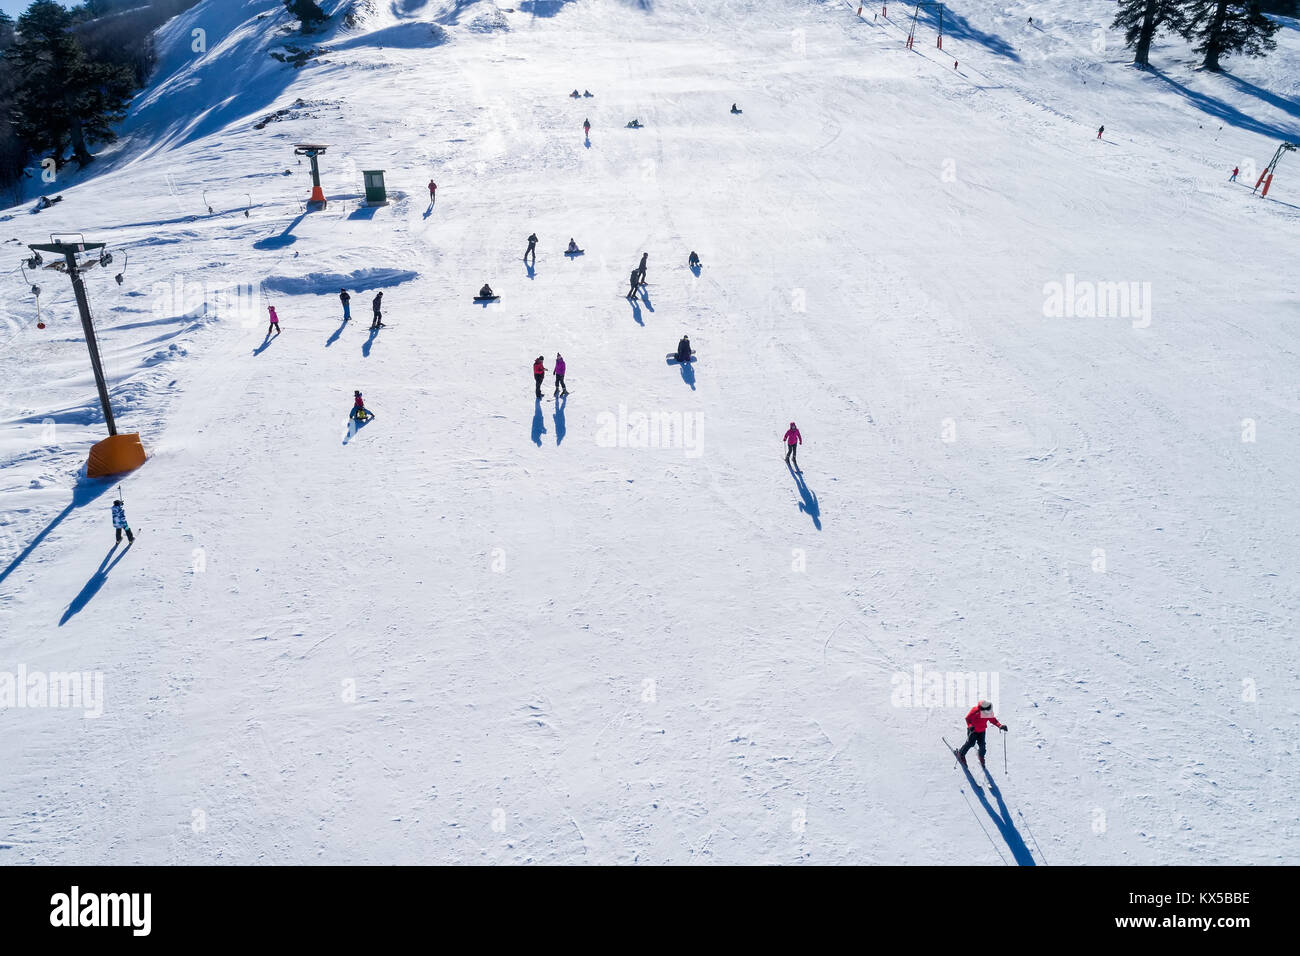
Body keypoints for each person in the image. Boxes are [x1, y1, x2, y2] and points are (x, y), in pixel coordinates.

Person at [956, 700, 1007, 768]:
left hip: (982, 731)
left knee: (982, 745)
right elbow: (968, 719)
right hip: (972, 730)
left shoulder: (988, 711)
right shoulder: (975, 710)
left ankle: (981, 756)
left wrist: (1000, 726)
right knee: (970, 743)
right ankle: (961, 754)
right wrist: (970, 726)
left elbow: (993, 720)